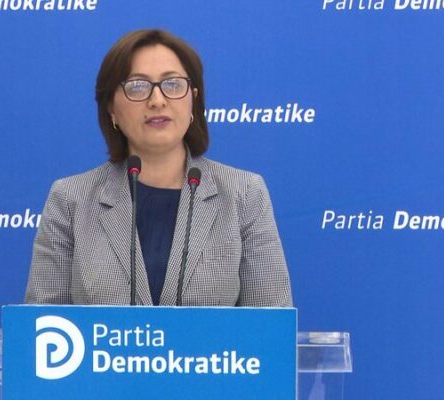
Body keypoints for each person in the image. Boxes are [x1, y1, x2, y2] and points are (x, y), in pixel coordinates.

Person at [25, 29, 292, 307]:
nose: (157, 100)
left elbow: (271, 322)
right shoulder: (70, 200)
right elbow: (43, 324)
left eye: (173, 84)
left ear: (193, 101)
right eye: (137, 86)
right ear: (111, 108)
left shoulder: (244, 194)